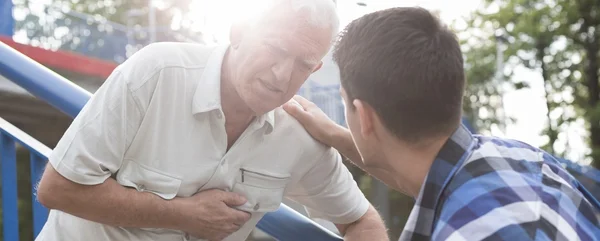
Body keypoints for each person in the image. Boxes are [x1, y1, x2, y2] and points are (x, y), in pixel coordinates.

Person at [34, 0, 388, 240]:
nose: (282, 75)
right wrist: (182, 214)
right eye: (276, 50)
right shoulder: (157, 73)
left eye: (301, 64)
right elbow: (58, 189)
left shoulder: (299, 135)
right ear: (238, 32)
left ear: (315, 68)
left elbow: (360, 220)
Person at [284, 6, 600, 241]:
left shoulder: (466, 233)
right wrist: (334, 134)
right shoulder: (524, 159)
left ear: (363, 115)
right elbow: (418, 173)